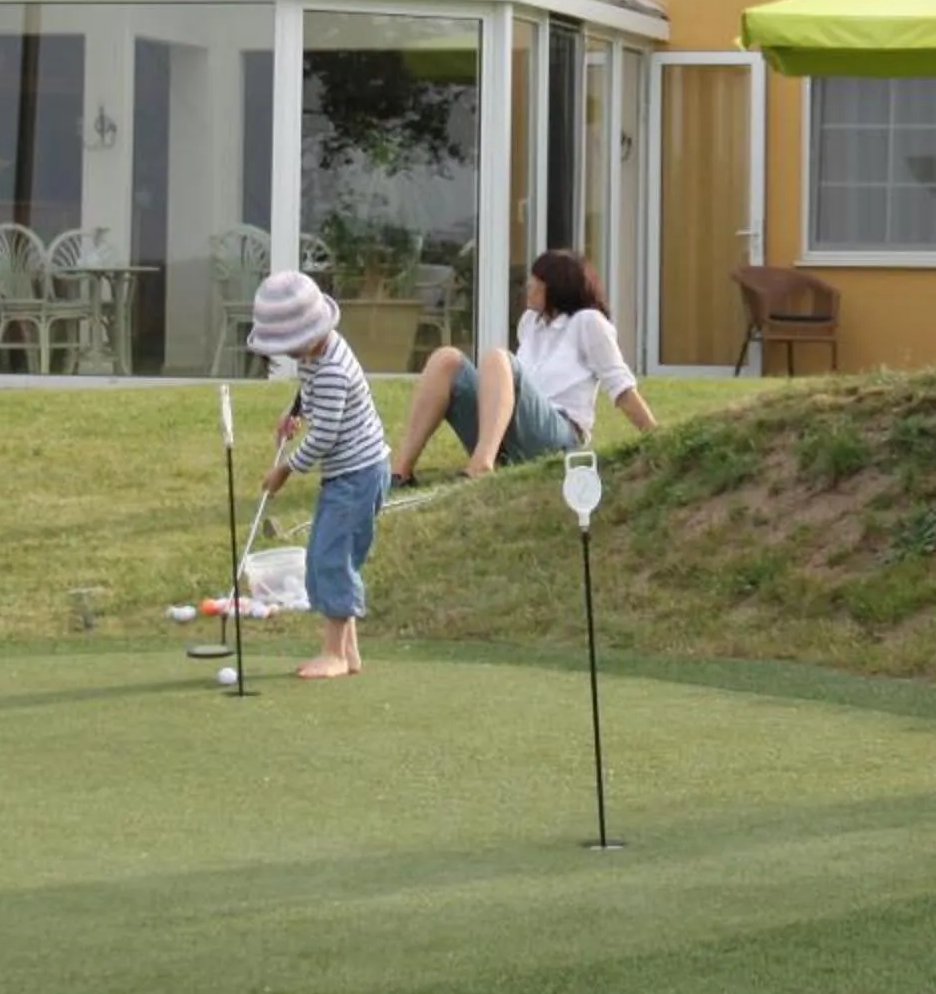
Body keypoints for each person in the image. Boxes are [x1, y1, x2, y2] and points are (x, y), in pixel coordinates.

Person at [391, 249, 656, 484]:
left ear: (558, 287)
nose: (529, 285)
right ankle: (400, 472)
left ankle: (482, 465)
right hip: (513, 432)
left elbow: (620, 386)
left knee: (497, 358)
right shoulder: (530, 322)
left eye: (537, 281)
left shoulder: (589, 323)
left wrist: (656, 439)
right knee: (446, 359)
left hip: (559, 436)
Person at [247, 271, 389, 680]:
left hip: (356, 475)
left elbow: (325, 434)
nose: (288, 354)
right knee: (334, 557)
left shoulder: (330, 369)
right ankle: (349, 652)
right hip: (354, 472)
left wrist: (285, 469)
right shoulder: (317, 354)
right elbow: (312, 395)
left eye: (289, 345)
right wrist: (294, 413)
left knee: (330, 558)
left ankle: (335, 654)